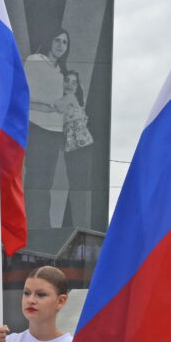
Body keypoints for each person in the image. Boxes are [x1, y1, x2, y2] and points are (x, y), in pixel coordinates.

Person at [23, 28, 70, 231]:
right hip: (36, 127)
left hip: (55, 131)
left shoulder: (60, 70)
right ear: (49, 40)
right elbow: (25, 96)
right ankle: (33, 225)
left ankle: (43, 225)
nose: (60, 45)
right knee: (36, 179)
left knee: (47, 182)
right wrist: (51, 105)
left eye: (65, 42)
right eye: (57, 40)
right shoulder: (35, 61)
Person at [58, 70, 94, 229]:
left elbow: (56, 106)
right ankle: (80, 226)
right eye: (67, 80)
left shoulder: (71, 98)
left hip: (82, 148)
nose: (70, 85)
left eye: (74, 82)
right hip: (72, 149)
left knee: (80, 188)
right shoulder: (68, 99)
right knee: (77, 187)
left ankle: (81, 226)